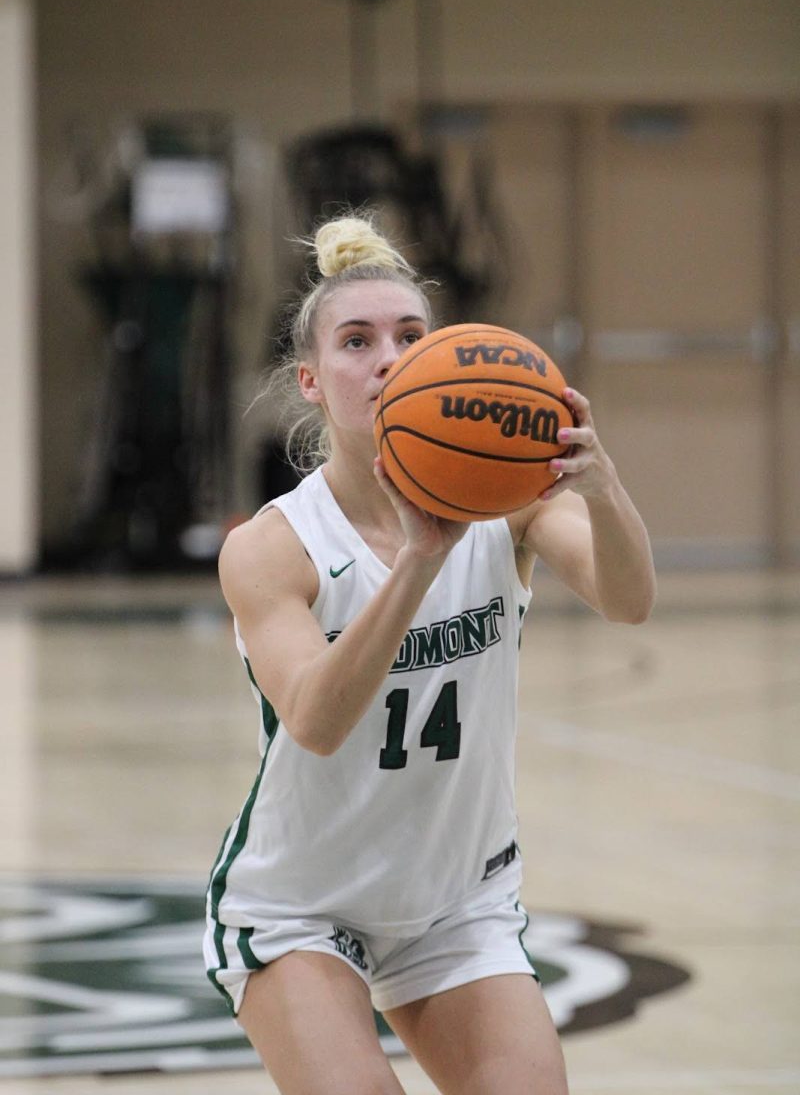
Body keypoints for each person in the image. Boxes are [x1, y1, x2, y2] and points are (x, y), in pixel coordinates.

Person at [203, 213, 656, 1095]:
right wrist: (419, 558)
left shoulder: (509, 502)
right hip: (302, 903)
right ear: (310, 381)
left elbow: (628, 600)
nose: (387, 356)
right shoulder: (273, 548)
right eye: (357, 340)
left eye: (411, 336)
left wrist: (603, 487)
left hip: (455, 899)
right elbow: (319, 721)